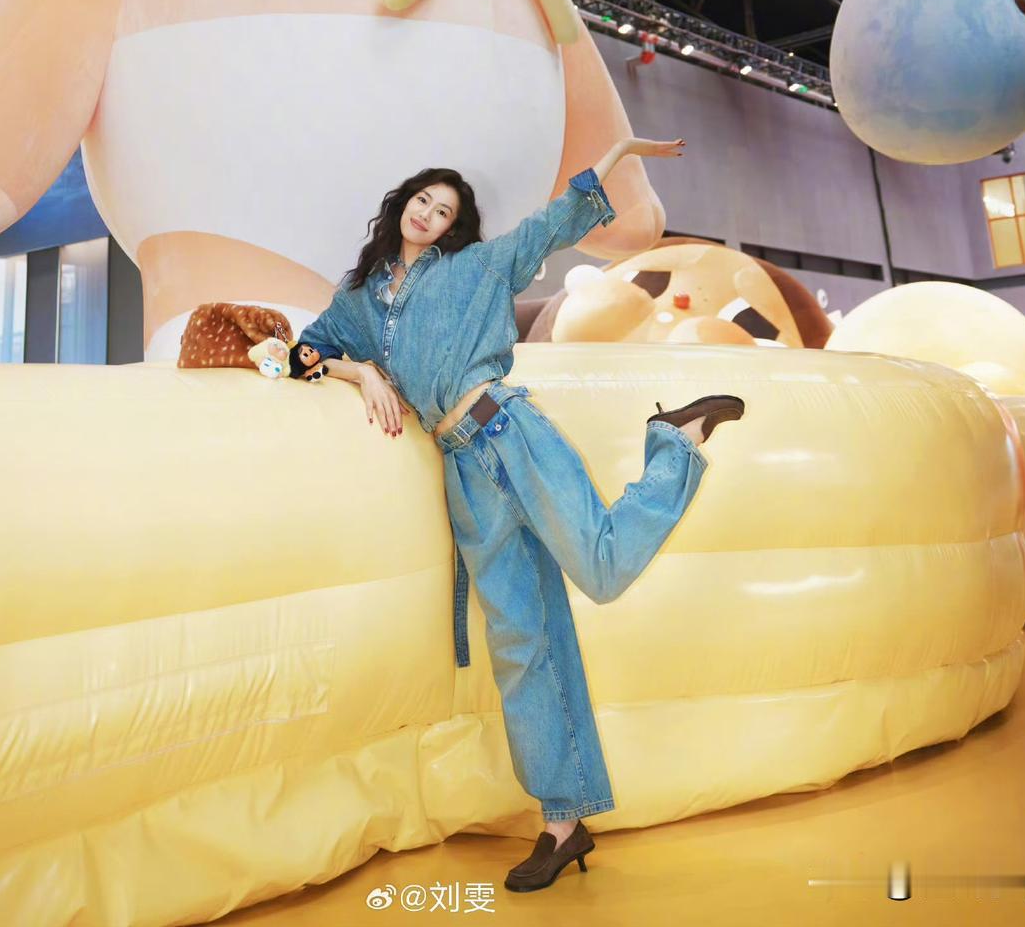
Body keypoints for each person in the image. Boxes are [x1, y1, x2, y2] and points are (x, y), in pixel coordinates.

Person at [294, 137, 747, 894]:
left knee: (602, 567)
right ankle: (563, 825)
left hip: (509, 431)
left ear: (453, 228)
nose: (428, 214)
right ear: (402, 204)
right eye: (423, 200)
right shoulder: (359, 303)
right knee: (519, 647)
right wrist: (359, 367)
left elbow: (551, 224)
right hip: (462, 474)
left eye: (444, 211)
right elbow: (302, 352)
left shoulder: (476, 266)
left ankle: (673, 443)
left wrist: (618, 152)